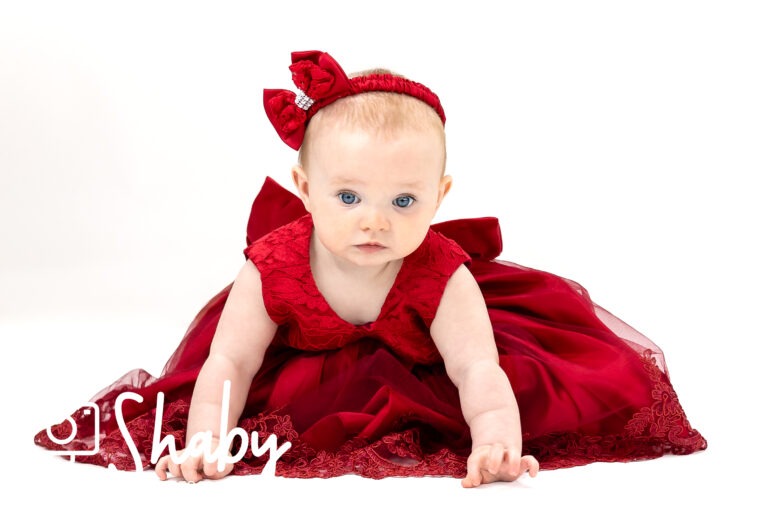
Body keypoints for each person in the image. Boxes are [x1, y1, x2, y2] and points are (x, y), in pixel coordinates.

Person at [35, 50, 706, 487]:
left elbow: (477, 368)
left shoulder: (443, 273)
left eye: (403, 201)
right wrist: (208, 442)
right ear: (304, 188)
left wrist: (496, 441)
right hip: (302, 371)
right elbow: (231, 364)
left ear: (440, 198)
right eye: (348, 197)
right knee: (216, 389)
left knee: (526, 384)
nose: (373, 222)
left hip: (424, 368)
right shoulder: (272, 268)